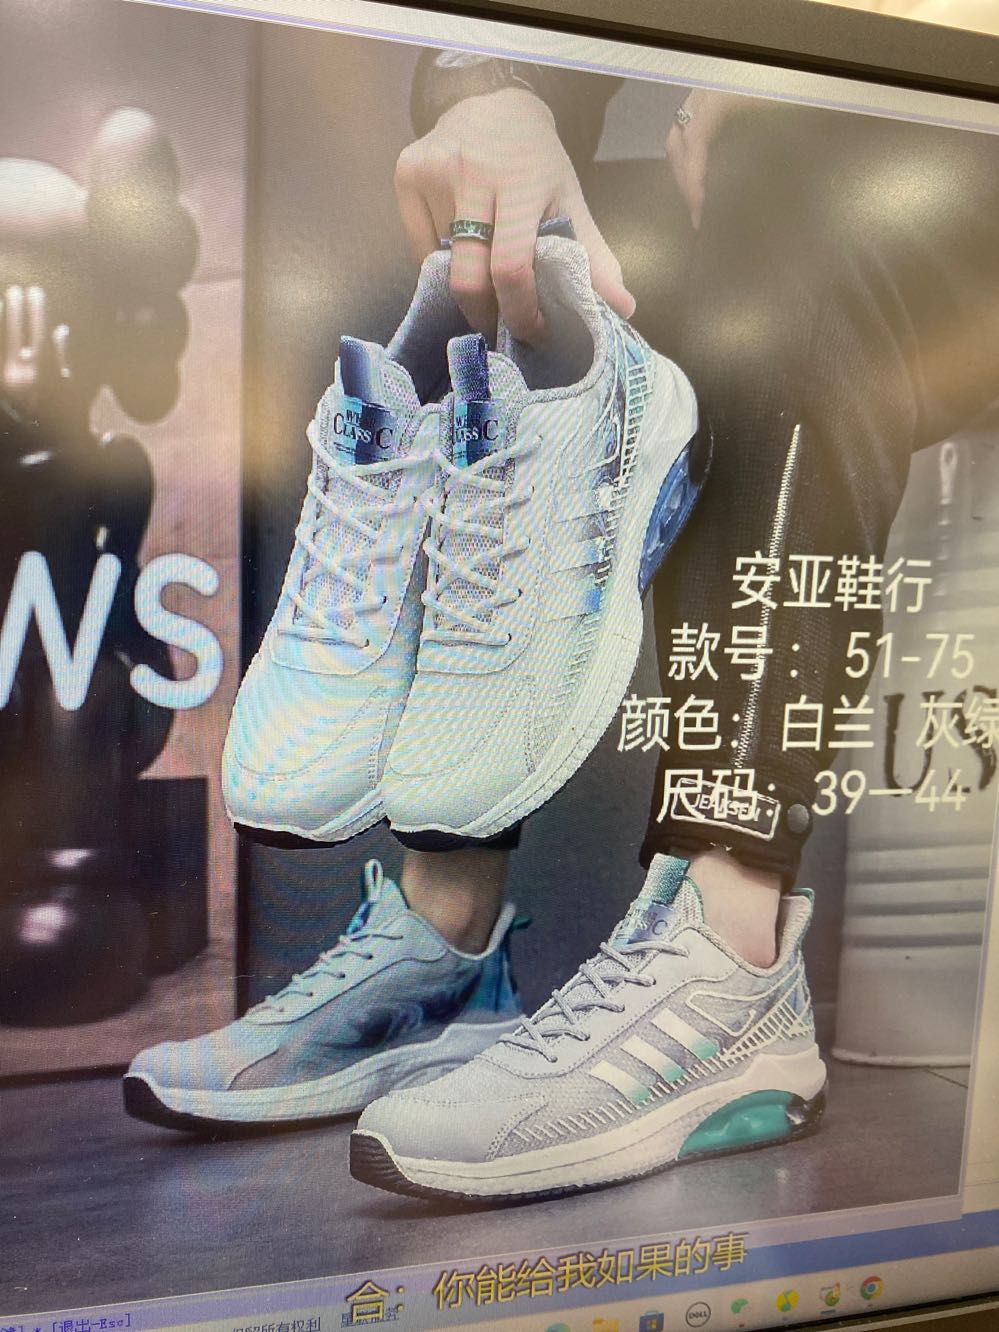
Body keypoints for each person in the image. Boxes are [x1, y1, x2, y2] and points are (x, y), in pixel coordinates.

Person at [126, 49, 999, 1201]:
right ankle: (444, 955)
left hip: (935, 189)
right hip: (736, 191)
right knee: (512, 249)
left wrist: (815, 76)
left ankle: (730, 958)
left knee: (788, 173)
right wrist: (493, 95)